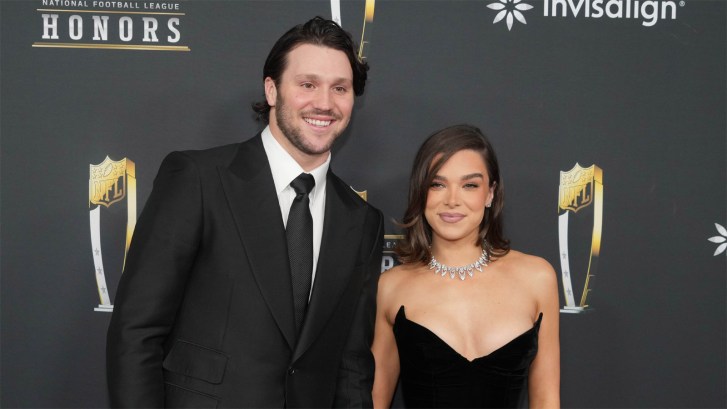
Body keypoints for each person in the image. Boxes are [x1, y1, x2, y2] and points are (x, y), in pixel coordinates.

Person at [106, 17, 384, 408]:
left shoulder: (361, 221)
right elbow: (136, 332)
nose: (324, 103)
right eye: (307, 84)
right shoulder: (199, 179)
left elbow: (351, 368)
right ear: (272, 89)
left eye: (340, 88)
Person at [371, 125, 560, 408]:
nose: (452, 200)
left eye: (469, 185)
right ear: (420, 192)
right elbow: (374, 401)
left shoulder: (537, 277)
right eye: (437, 184)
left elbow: (546, 400)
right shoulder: (392, 285)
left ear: (490, 193)